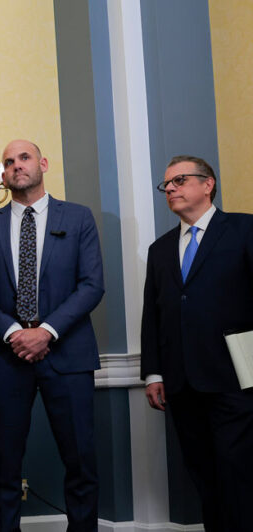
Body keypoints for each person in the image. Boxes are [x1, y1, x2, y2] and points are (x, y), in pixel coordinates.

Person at [0, 140, 103, 531]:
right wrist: (14, 333)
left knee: (80, 460)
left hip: (68, 355)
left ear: (43, 164)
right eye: (8, 162)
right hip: (6, 358)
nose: (16, 165)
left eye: (24, 158)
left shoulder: (78, 218)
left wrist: (46, 331)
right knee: (5, 462)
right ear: (4, 175)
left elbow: (91, 285)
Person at [140, 155, 253, 531]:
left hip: (237, 378)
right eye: (166, 184)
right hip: (181, 383)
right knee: (203, 475)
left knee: (238, 473)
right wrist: (153, 372)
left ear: (208, 184)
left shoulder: (243, 229)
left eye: (180, 180)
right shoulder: (160, 249)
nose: (170, 189)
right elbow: (153, 315)